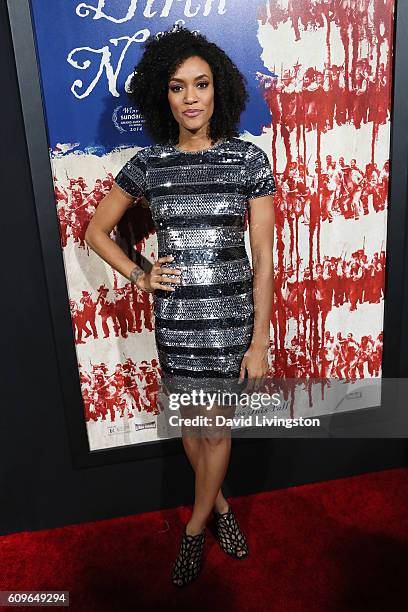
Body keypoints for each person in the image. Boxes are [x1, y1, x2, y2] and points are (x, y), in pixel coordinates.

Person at [85, 24, 276, 587]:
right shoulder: (147, 163)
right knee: (194, 424)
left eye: (201, 84)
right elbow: (97, 230)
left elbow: (263, 255)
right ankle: (218, 507)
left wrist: (259, 339)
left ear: (219, 90)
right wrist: (139, 274)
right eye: (177, 86)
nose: (191, 98)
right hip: (174, 319)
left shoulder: (248, 160)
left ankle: (193, 530)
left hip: (229, 322)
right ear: (162, 96)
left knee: (215, 430)